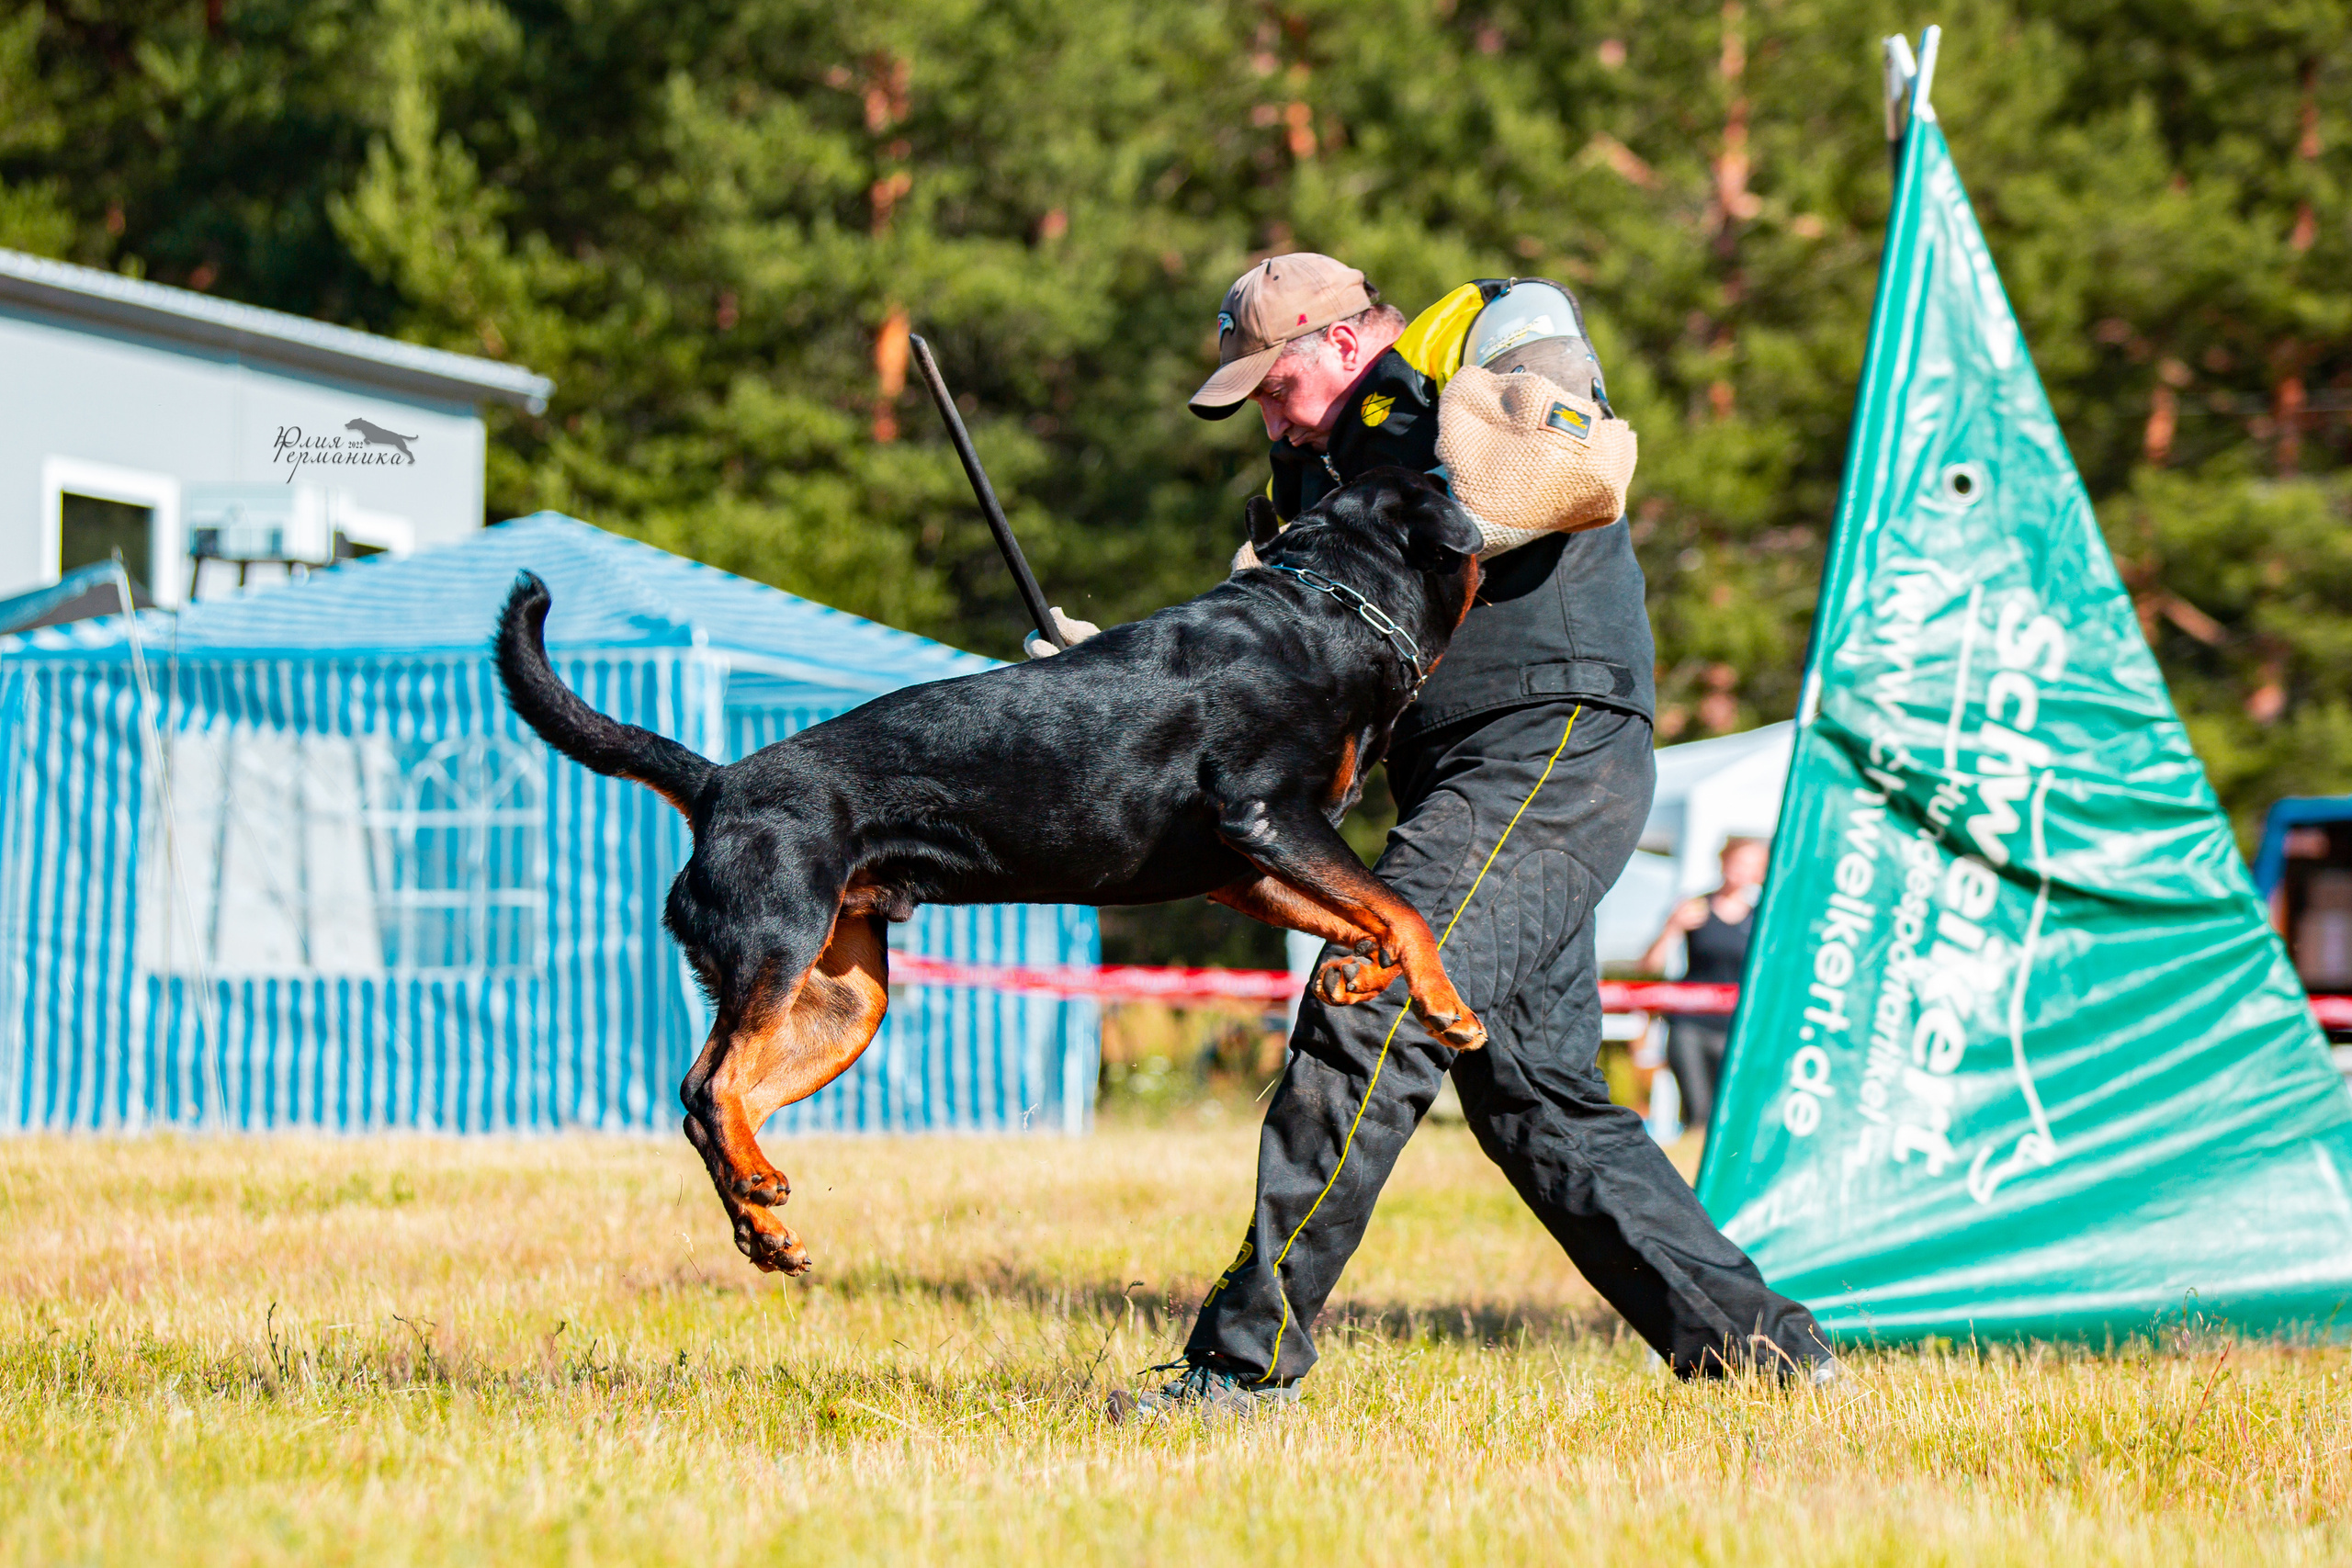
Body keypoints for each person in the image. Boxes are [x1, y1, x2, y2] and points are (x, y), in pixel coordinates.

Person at [1039, 254, 1835, 1414]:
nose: (1266, 410)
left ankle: (1239, 1372)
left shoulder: (1464, 376)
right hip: (1462, 776)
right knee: (1537, 1104)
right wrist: (1103, 678)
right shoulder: (1301, 491)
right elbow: (1254, 672)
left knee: (1368, 1005)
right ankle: (1770, 1359)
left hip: (1548, 744)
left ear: (1344, 340)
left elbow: (1573, 465)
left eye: (1275, 382)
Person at [1641, 836, 1769, 1134]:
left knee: (1732, 1118)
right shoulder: (1694, 908)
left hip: (1737, 1029)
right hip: (1690, 1026)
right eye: (1739, 862)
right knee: (1698, 1115)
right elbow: (1650, 966)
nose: (1743, 871)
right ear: (1723, 861)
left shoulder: (1763, 918)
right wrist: (1672, 926)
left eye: (1753, 865)